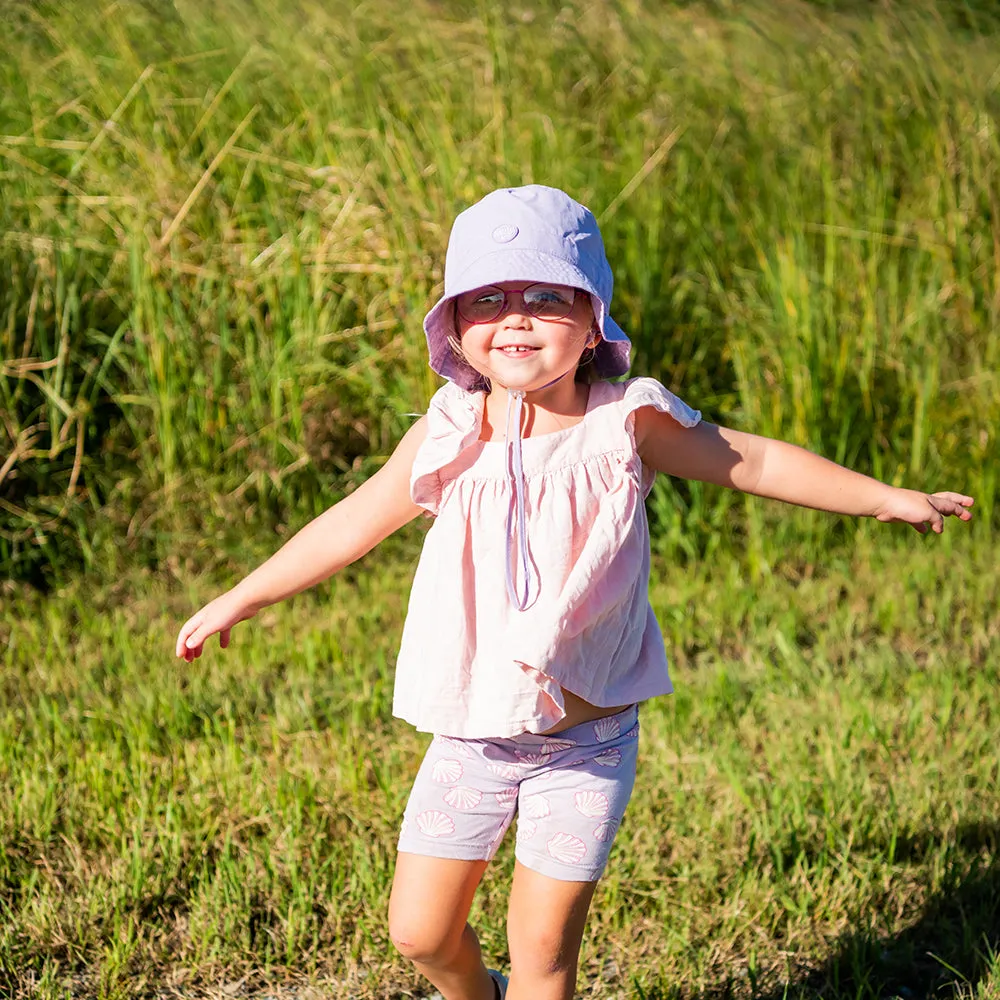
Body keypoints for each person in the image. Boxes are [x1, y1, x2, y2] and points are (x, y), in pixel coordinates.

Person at [175, 185, 974, 1000]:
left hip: (585, 746)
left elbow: (754, 460)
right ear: (455, 326)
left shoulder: (625, 423)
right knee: (418, 931)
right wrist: (244, 594)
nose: (515, 318)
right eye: (487, 299)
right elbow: (350, 524)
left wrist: (885, 496)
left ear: (594, 322)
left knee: (545, 948)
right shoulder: (448, 433)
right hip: (472, 739)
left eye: (546, 297)